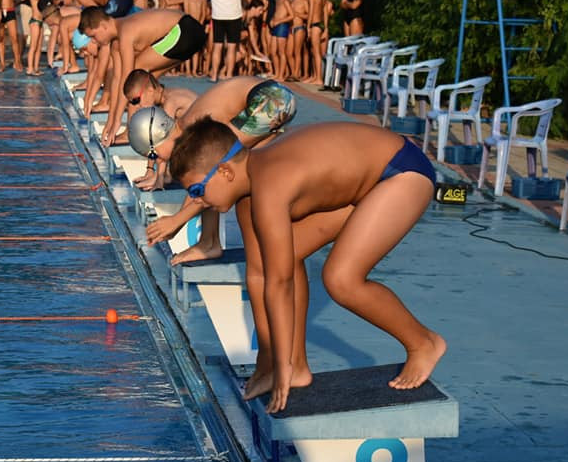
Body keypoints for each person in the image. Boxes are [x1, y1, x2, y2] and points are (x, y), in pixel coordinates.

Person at [169, 118, 445, 413]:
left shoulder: (270, 187)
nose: (197, 200)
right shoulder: (248, 196)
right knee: (285, 255)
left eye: (197, 190)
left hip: (401, 173)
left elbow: (280, 283)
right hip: (366, 182)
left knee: (342, 279)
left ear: (224, 171)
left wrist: (280, 367)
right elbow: (259, 274)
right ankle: (297, 366)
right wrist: (270, 363)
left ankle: (423, 343)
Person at [130, 77, 296, 266]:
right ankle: (209, 242)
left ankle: (210, 243)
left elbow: (209, 179)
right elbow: (198, 188)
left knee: (219, 167)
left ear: (160, 137)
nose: (158, 159)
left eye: (153, 154)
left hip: (272, 99)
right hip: (266, 99)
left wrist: (178, 220)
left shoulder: (191, 125)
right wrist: (177, 220)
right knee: (206, 177)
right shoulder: (185, 130)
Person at [79, 6, 206, 146]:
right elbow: (117, 80)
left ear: (103, 26)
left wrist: (117, 122)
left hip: (185, 29)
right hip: (188, 31)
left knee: (137, 75)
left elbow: (129, 78)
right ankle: (146, 124)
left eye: (93, 36)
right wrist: (111, 121)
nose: (94, 41)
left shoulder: (125, 32)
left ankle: (131, 131)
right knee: (146, 80)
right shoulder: (115, 43)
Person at [205, 0, 246, 82]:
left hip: (218, 14)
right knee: (232, 46)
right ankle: (228, 75)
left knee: (217, 45)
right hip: (233, 13)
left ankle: (214, 74)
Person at [122, 68, 197, 119]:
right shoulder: (168, 93)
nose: (137, 106)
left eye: (136, 100)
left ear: (150, 91)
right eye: (132, 103)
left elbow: (166, 135)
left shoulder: (169, 102)